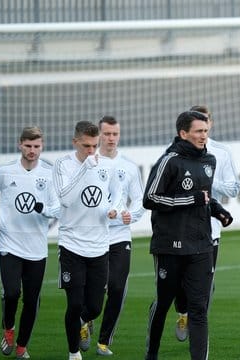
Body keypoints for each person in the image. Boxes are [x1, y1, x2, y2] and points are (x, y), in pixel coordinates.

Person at [143, 110, 233, 360]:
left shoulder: (209, 161)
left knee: (199, 309)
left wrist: (218, 210)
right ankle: (151, 354)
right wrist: (189, 199)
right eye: (198, 131)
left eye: (206, 131)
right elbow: (150, 198)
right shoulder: (169, 160)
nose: (204, 136)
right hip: (170, 246)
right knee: (163, 304)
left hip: (201, 245)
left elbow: (203, 197)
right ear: (183, 133)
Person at [0, 126, 60, 360]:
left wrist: (43, 209)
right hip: (9, 244)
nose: (32, 150)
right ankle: (8, 328)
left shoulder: (48, 173)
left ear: (41, 147)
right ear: (20, 145)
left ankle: (22, 346)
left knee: (32, 299)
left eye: (36, 146)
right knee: (12, 293)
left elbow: (57, 207)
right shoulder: (5, 172)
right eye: (28, 146)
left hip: (36, 247)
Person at [53, 121, 125, 360]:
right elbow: (65, 199)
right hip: (72, 244)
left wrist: (113, 208)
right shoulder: (63, 165)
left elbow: (117, 193)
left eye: (95, 146)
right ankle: (74, 352)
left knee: (94, 307)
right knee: (74, 304)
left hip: (99, 246)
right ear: (75, 142)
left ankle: (82, 323)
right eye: (86, 146)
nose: (91, 151)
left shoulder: (107, 165)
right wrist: (84, 168)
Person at [173, 105, 240, 342]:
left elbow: (233, 187)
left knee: (205, 284)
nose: (203, 128)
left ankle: (197, 325)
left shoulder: (221, 152)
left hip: (210, 228)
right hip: (182, 228)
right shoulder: (176, 154)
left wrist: (209, 181)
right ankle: (182, 312)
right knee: (180, 285)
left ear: (210, 123)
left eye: (206, 122)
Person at [85, 116, 145, 356]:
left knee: (118, 287)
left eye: (115, 134)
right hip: (93, 236)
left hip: (120, 236)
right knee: (95, 291)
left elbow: (140, 199)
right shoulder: (89, 164)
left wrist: (131, 215)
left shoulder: (128, 167)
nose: (111, 138)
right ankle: (85, 318)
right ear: (99, 135)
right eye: (107, 134)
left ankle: (103, 341)